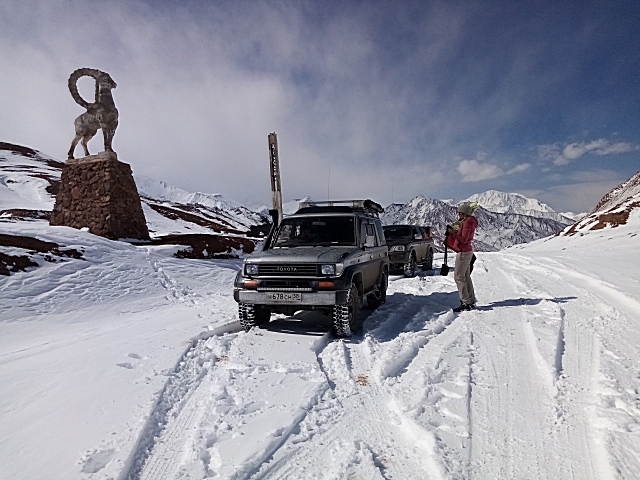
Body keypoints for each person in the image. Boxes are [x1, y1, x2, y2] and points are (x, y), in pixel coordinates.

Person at [445, 202, 478, 312]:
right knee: (465, 276)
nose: (459, 215)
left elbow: (463, 239)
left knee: (459, 277)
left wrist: (453, 233)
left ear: (465, 213)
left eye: (460, 213)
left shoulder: (467, 223)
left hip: (463, 251)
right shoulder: (470, 221)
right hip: (467, 251)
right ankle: (470, 300)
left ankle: (465, 302)